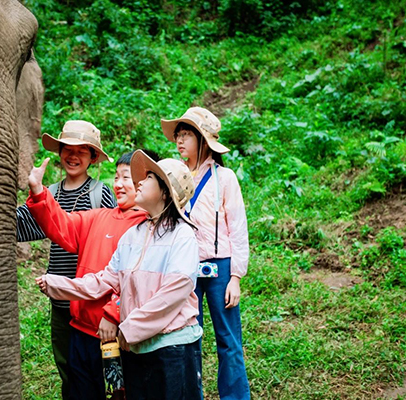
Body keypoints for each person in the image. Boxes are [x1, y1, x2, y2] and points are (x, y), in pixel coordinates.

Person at [35, 150, 203, 400]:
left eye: (148, 178)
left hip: (172, 347)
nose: (139, 183)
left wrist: (127, 327)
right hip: (136, 347)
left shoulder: (183, 236)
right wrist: (57, 284)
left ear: (166, 191)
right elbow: (104, 281)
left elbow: (173, 294)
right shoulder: (133, 236)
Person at [24, 150, 160, 400]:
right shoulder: (99, 217)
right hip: (79, 330)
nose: (118, 185)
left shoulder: (149, 226)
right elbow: (61, 225)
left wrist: (112, 312)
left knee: (118, 394)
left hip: (116, 336)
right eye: (116, 177)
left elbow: (140, 284)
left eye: (126, 178)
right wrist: (38, 191)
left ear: (146, 182)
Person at [16, 120, 116, 400]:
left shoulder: (102, 194)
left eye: (82, 151)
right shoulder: (48, 194)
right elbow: (22, 225)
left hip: (93, 303)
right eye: (67, 149)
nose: (73, 156)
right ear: (59, 152)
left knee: (100, 369)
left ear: (93, 157)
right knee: (68, 368)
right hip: (61, 300)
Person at [161, 107, 251, 400]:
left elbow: (237, 229)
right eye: (178, 135)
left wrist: (235, 276)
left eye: (186, 135)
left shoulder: (224, 178)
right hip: (185, 269)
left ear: (202, 139)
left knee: (228, 340)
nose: (180, 141)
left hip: (220, 268)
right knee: (188, 339)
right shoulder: (174, 177)